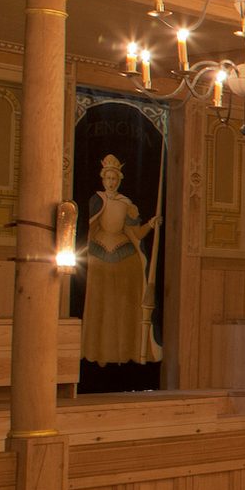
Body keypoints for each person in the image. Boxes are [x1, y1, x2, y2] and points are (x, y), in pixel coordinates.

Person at [81, 154, 162, 365]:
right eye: (107, 178)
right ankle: (97, 350)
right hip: (99, 251)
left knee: (130, 284)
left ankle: (126, 350)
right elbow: (89, 228)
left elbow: (135, 234)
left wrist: (151, 224)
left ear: (119, 180)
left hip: (123, 252)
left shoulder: (126, 203)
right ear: (102, 179)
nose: (111, 182)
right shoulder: (97, 200)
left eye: (114, 179)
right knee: (101, 300)